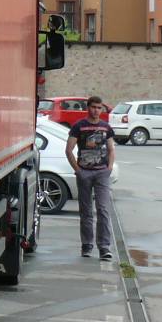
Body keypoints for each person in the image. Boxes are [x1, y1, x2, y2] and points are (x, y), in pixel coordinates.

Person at [66, 95, 116, 261]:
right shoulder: (79, 126)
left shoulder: (106, 127)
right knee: (86, 211)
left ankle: (104, 247)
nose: (96, 110)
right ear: (88, 108)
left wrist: (109, 167)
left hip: (102, 173)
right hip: (84, 173)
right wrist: (78, 170)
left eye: (99, 108)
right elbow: (69, 149)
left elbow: (111, 149)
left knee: (103, 209)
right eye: (93, 107)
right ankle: (87, 245)